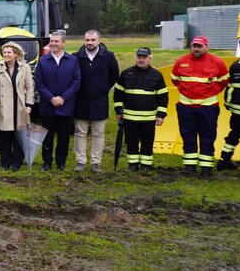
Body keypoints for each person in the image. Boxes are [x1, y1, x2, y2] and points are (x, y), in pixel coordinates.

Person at [171, 35, 228, 178]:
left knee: (207, 136)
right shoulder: (181, 61)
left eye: (199, 46)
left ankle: (206, 168)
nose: (196, 49)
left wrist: (208, 94)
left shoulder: (217, 62)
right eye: (194, 46)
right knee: (188, 135)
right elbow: (175, 79)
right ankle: (189, 166)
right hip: (186, 106)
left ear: (206, 47)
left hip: (208, 107)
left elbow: (223, 82)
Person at [73, 30, 119, 172]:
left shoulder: (109, 56)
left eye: (93, 40)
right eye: (87, 40)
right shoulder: (76, 57)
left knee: (98, 133)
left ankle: (95, 162)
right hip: (81, 100)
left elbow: (114, 75)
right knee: (80, 133)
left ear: (99, 40)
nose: (90, 43)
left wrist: (102, 89)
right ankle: (80, 161)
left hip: (100, 101)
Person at [113, 47, 167, 171]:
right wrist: (119, 111)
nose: (141, 60)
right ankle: (132, 165)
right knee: (131, 142)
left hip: (149, 118)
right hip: (130, 117)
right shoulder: (126, 73)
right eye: (139, 57)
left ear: (150, 59)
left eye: (144, 57)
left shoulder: (157, 75)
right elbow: (118, 94)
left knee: (147, 142)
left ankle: (146, 165)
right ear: (135, 58)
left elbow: (163, 96)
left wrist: (161, 115)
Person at [35, 31, 81, 171]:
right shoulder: (43, 61)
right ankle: (47, 162)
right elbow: (39, 83)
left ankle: (61, 162)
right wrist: (51, 98)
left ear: (63, 43)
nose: (53, 44)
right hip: (48, 106)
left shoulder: (72, 60)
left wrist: (63, 98)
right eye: (52, 41)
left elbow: (76, 81)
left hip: (65, 105)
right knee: (47, 136)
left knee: (64, 136)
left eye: (56, 41)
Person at [0, 43, 35, 171]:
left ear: (16, 54)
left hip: (20, 106)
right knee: (4, 137)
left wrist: (29, 105)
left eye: (9, 52)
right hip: (3, 106)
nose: (6, 54)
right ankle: (5, 163)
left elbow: (30, 87)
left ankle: (17, 163)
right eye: (4, 52)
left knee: (19, 136)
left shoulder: (25, 67)